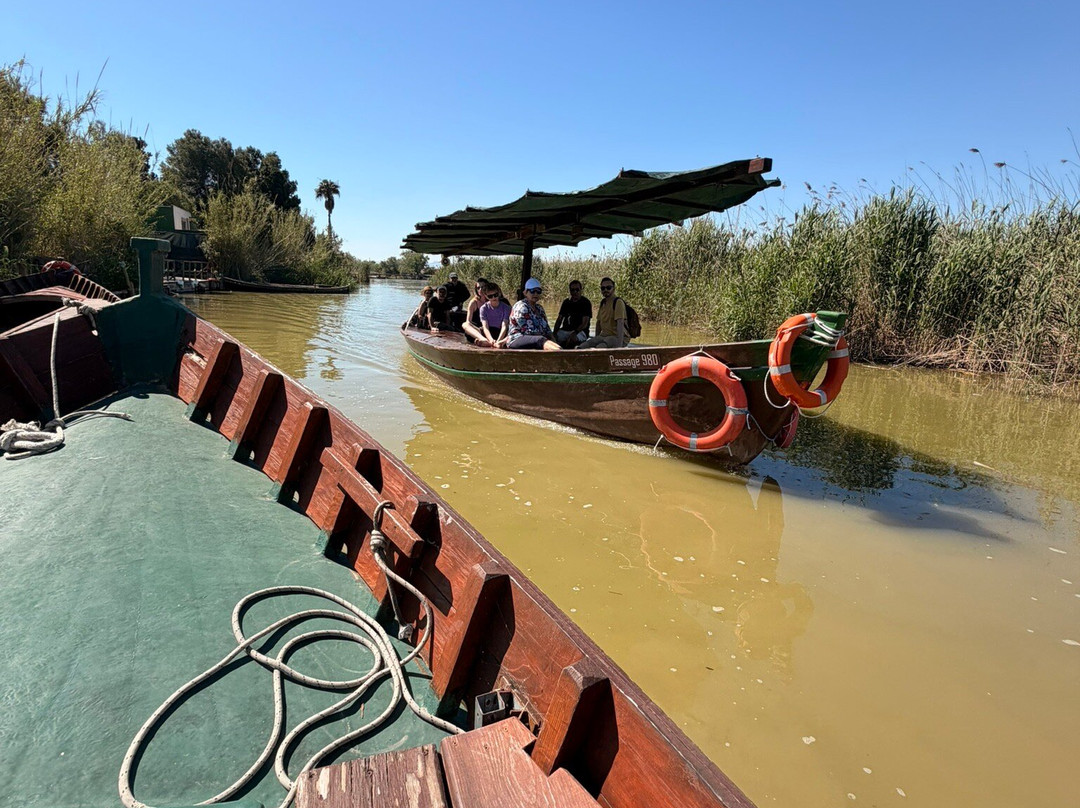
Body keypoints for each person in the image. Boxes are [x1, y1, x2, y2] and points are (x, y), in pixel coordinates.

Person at [506, 278, 561, 350]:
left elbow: (547, 330)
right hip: (517, 338)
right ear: (525, 292)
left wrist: (554, 341)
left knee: (552, 340)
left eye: (538, 291)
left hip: (537, 339)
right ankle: (560, 356)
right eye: (532, 291)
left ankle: (561, 353)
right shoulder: (521, 306)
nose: (536, 294)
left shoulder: (540, 308)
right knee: (541, 340)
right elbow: (529, 331)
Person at [578, 277, 627, 349]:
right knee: (583, 346)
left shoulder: (618, 302)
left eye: (608, 288)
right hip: (604, 336)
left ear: (613, 288)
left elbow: (620, 323)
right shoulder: (603, 303)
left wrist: (619, 347)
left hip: (616, 337)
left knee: (600, 347)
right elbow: (598, 323)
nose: (605, 290)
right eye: (603, 288)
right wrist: (595, 339)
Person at [553, 280, 592, 348]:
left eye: (577, 290)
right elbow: (559, 319)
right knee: (551, 339)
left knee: (572, 340)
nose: (575, 292)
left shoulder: (586, 303)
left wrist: (574, 333)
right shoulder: (566, 302)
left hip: (580, 331)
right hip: (565, 330)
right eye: (572, 290)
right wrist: (554, 333)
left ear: (581, 290)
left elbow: (585, 323)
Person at [479, 282, 512, 348]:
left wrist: (498, 341)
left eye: (495, 295)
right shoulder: (483, 308)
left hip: (501, 331)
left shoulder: (506, 308)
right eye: (490, 296)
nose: (494, 298)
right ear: (486, 296)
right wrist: (491, 340)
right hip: (489, 331)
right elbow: (485, 327)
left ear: (499, 293)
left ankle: (492, 343)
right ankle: (488, 342)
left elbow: (504, 326)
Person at [462, 278, 493, 345]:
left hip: (488, 329)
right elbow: (468, 322)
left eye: (483, 287)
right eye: (478, 288)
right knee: (465, 324)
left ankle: (484, 341)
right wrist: (478, 329)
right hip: (476, 330)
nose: (480, 290)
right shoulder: (473, 302)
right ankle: (482, 339)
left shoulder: (492, 299)